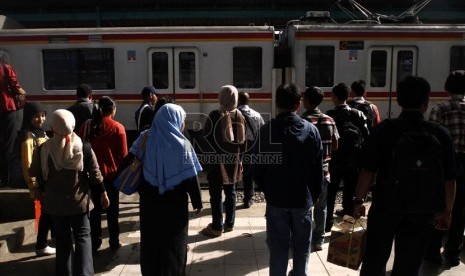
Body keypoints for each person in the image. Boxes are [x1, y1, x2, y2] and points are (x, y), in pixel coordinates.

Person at [353, 76, 456, 276]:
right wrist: (447, 211)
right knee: (409, 265)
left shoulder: (385, 130)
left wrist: (358, 200)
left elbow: (367, 170)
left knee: (374, 261)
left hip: (386, 207)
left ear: (399, 100)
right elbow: (449, 178)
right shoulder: (440, 134)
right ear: (426, 102)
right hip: (422, 210)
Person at [29, 109, 109, 276]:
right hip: (79, 204)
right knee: (83, 238)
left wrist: (36, 189)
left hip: (55, 205)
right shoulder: (84, 148)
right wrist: (103, 193)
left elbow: (34, 171)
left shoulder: (44, 149)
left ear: (53, 126)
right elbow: (96, 174)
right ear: (72, 124)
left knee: (63, 240)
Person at [253, 83, 323, 276]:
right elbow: (317, 169)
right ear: (298, 104)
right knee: (302, 248)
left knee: (278, 249)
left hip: (276, 199)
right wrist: (315, 194)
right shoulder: (311, 131)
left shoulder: (266, 131)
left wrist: (265, 188)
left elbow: (257, 167)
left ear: (277, 103)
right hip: (303, 199)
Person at [131, 103, 203, 275]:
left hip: (149, 204)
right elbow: (191, 179)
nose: (183, 123)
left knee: (150, 242)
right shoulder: (182, 144)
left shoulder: (144, 137)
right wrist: (197, 202)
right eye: (182, 120)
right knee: (174, 245)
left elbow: (130, 163)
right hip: (175, 207)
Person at [425, 70, 465, 266]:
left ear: (447, 87)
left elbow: (431, 142)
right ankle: (453, 252)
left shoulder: (439, 109)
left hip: (445, 164)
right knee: (461, 210)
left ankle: (432, 251)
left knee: (439, 206)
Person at [78, 96, 128, 251]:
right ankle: (114, 241)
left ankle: (95, 242)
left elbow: (79, 146)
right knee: (113, 212)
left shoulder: (87, 125)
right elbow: (123, 155)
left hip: (91, 176)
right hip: (111, 176)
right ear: (113, 110)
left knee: (94, 211)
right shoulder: (117, 127)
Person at [200, 85, 246, 237]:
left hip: (217, 161)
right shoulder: (240, 115)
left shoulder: (215, 114)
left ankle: (217, 226)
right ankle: (229, 224)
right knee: (231, 192)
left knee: (215, 194)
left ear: (222, 97)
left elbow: (205, 136)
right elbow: (243, 142)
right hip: (233, 161)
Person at [325, 82, 369, 230]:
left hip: (335, 161)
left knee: (330, 194)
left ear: (334, 97)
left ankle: (327, 224)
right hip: (353, 162)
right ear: (348, 96)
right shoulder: (358, 114)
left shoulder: (330, 115)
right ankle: (348, 227)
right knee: (350, 193)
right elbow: (366, 136)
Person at [301, 86, 339, 252]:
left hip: (306, 173)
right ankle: (318, 240)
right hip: (324, 171)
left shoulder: (303, 121)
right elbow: (336, 144)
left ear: (307, 101)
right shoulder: (330, 120)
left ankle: (304, 237)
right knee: (321, 207)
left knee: (304, 207)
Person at [18, 102, 55, 256]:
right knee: (45, 214)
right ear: (29, 117)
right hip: (39, 183)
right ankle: (41, 245)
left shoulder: (41, 132)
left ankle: (47, 241)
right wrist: (33, 186)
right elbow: (27, 164)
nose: (40, 119)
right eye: (36, 116)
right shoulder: (28, 136)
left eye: (42, 115)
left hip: (45, 180)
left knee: (48, 212)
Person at [0, 50, 26, 186]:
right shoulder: (6, 68)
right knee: (9, 143)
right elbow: (15, 86)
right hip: (6, 107)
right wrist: (22, 92)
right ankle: (6, 178)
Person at [237, 91, 265, 208]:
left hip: (236, 146)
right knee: (248, 172)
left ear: (238, 100)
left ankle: (231, 196)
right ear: (248, 101)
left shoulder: (232, 114)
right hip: (251, 146)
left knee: (234, 171)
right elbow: (262, 129)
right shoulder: (256, 115)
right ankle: (248, 199)